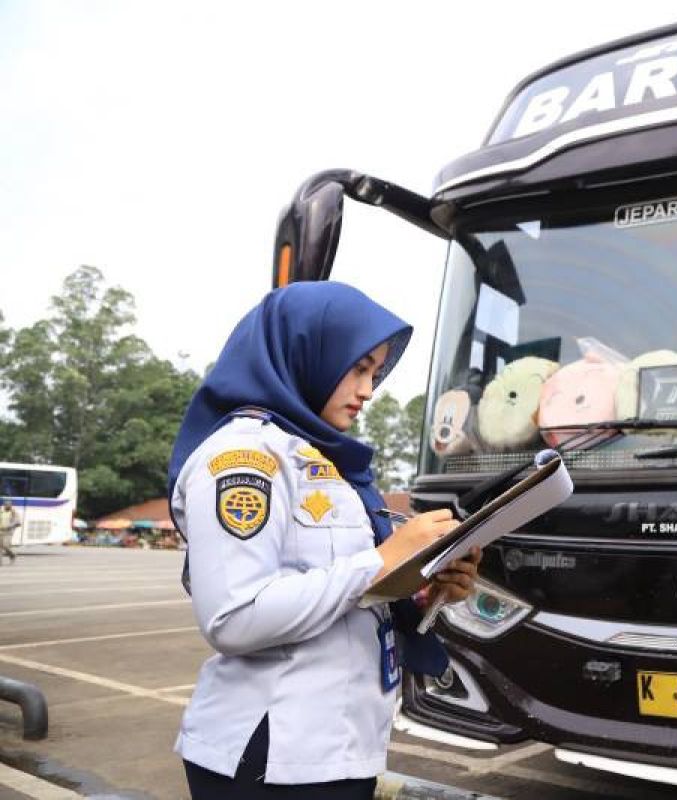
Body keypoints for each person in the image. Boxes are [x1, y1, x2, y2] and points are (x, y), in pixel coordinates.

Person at [167, 282, 480, 799]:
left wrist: (429, 589)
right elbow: (233, 616)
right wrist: (379, 565)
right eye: (358, 368)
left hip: (335, 748)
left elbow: (355, 596)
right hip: (271, 754)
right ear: (306, 351)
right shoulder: (247, 458)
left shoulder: (327, 463)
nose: (368, 389)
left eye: (375, 373)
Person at [0, 499, 18, 564]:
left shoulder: (13, 512)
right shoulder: (1, 511)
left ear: (11, 505)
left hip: (8, 532)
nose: (7, 505)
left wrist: (11, 525)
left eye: (9, 504)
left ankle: (12, 555)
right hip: (0, 531)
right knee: (0, 547)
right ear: (4, 505)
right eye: (6, 504)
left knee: (5, 546)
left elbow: (17, 521)